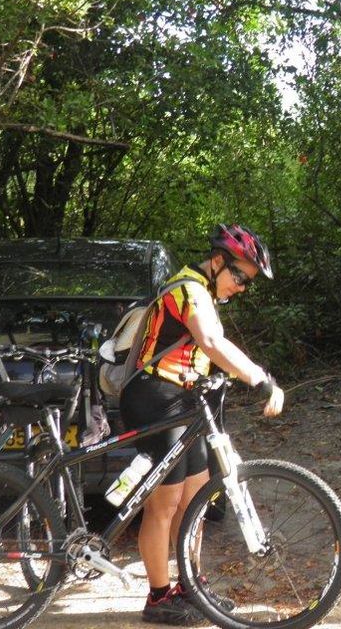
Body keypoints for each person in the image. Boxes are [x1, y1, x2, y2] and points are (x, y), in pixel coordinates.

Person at [121, 224, 285, 625]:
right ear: (217, 262)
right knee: (165, 505)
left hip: (182, 401)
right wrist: (259, 378)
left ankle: (191, 585)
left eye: (247, 282)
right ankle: (159, 597)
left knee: (195, 502)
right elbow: (210, 342)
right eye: (240, 276)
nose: (242, 287)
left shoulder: (205, 293)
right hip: (154, 398)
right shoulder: (189, 288)